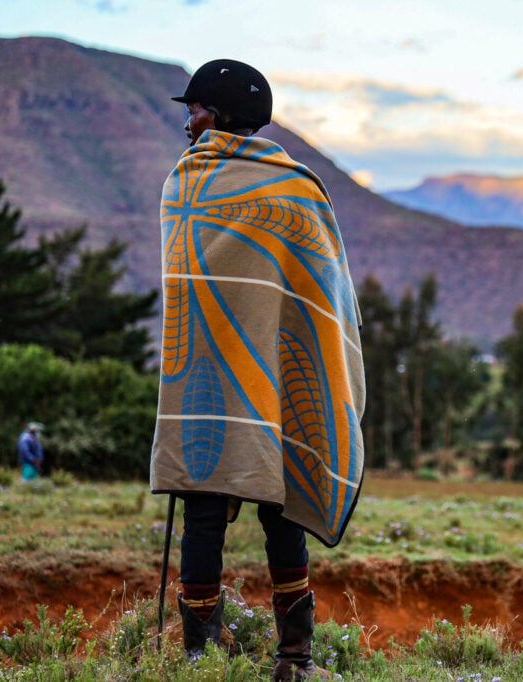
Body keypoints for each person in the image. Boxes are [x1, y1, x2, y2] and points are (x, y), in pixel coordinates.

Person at [151, 59, 365, 680]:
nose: (188, 122)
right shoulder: (295, 187)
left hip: (203, 382)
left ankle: (201, 659)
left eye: (193, 110)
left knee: (205, 513)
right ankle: (293, 661)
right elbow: (322, 294)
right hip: (275, 384)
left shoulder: (185, 184)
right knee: (284, 507)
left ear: (220, 114)